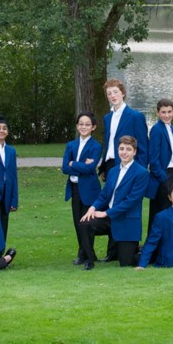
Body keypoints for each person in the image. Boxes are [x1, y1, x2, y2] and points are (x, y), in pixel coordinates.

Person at [79, 135, 149, 270]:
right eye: (121, 149)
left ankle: (143, 251)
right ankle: (89, 260)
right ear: (117, 151)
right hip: (109, 219)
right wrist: (92, 208)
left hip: (126, 220)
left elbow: (131, 201)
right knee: (84, 223)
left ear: (134, 152)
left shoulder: (141, 173)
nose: (124, 152)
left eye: (128, 149)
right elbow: (104, 195)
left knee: (126, 262)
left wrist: (105, 213)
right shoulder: (113, 171)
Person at [62, 113, 102, 265]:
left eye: (87, 124)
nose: (84, 127)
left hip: (90, 190)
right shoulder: (71, 145)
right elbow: (65, 168)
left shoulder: (96, 146)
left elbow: (90, 168)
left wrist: (74, 164)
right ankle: (84, 252)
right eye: (81, 124)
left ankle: (87, 255)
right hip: (75, 188)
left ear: (93, 127)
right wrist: (80, 165)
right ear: (77, 126)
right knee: (77, 222)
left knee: (87, 223)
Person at [99, 78, 149, 175]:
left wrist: (140, 171)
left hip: (129, 165)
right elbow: (109, 142)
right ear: (107, 97)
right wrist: (104, 167)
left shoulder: (135, 117)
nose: (113, 95)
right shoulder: (107, 118)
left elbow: (143, 147)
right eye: (109, 93)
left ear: (122, 93)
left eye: (115, 92)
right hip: (110, 165)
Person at [144, 99, 173, 233]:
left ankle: (167, 242)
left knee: (170, 210)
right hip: (162, 176)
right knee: (159, 212)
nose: (167, 115)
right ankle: (153, 245)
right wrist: (163, 179)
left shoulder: (172, 129)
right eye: (163, 112)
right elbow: (153, 159)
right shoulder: (156, 130)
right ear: (158, 113)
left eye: (169, 112)